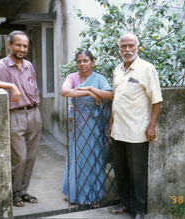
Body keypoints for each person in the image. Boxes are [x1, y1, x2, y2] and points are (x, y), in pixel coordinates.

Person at [0, 30, 42, 207]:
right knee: (20, 158)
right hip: (15, 115)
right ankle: (14, 192)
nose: (22, 49)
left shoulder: (29, 65)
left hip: (33, 114)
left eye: (24, 46)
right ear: (9, 45)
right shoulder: (1, 66)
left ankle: (23, 192)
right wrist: (11, 86)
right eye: (18, 45)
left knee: (30, 158)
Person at [108, 32, 163, 219]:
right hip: (118, 130)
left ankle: (139, 210)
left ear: (137, 47)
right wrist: (111, 123)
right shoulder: (117, 69)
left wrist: (152, 125)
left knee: (137, 173)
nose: (127, 49)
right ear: (119, 49)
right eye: (123, 46)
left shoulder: (147, 69)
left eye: (131, 45)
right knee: (120, 171)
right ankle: (126, 203)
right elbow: (116, 99)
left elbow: (157, 100)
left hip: (137, 131)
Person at [61, 49, 113, 208]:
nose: (82, 64)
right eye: (79, 61)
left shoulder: (99, 78)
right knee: (76, 156)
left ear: (92, 62)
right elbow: (65, 91)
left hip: (95, 124)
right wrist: (89, 93)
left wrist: (91, 89)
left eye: (85, 61)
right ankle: (75, 193)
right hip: (77, 124)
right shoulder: (72, 77)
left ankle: (95, 195)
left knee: (94, 157)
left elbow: (110, 95)